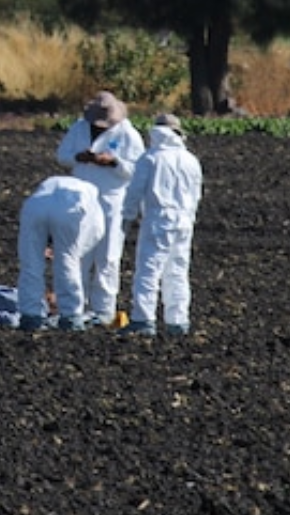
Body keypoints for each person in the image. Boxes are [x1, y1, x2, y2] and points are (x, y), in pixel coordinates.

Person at [55, 91, 145, 326]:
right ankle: (76, 307)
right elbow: (62, 156)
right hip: (80, 199)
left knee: (108, 255)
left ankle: (104, 310)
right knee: (79, 253)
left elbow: (137, 169)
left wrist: (113, 162)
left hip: (112, 200)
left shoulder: (127, 134)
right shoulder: (79, 128)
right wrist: (80, 157)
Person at [121, 113, 203, 337]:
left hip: (158, 218)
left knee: (149, 269)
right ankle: (178, 321)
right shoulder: (191, 160)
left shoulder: (150, 158)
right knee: (177, 271)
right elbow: (196, 194)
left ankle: (143, 319)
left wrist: (127, 217)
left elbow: (135, 192)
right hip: (184, 220)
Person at [17, 175, 106, 331]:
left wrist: (48, 245)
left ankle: (30, 316)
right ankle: (71, 316)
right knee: (68, 260)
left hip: (35, 206)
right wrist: (70, 250)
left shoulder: (51, 185)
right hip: (69, 208)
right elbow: (94, 234)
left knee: (30, 263)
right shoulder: (92, 203)